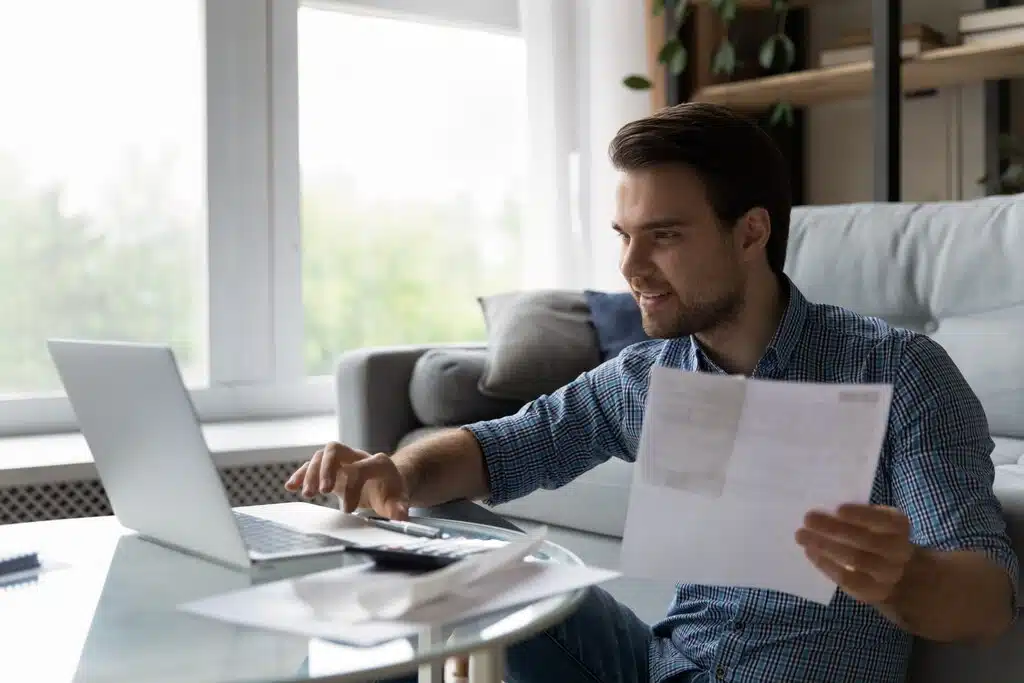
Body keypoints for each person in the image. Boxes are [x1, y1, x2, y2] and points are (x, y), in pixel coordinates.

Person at [284, 102, 1018, 683]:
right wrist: (396, 470)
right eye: (624, 234)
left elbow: (986, 597)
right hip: (652, 669)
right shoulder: (648, 376)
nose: (630, 265)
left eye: (662, 236)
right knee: (464, 569)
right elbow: (504, 444)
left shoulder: (900, 373)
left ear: (750, 233)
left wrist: (905, 577)